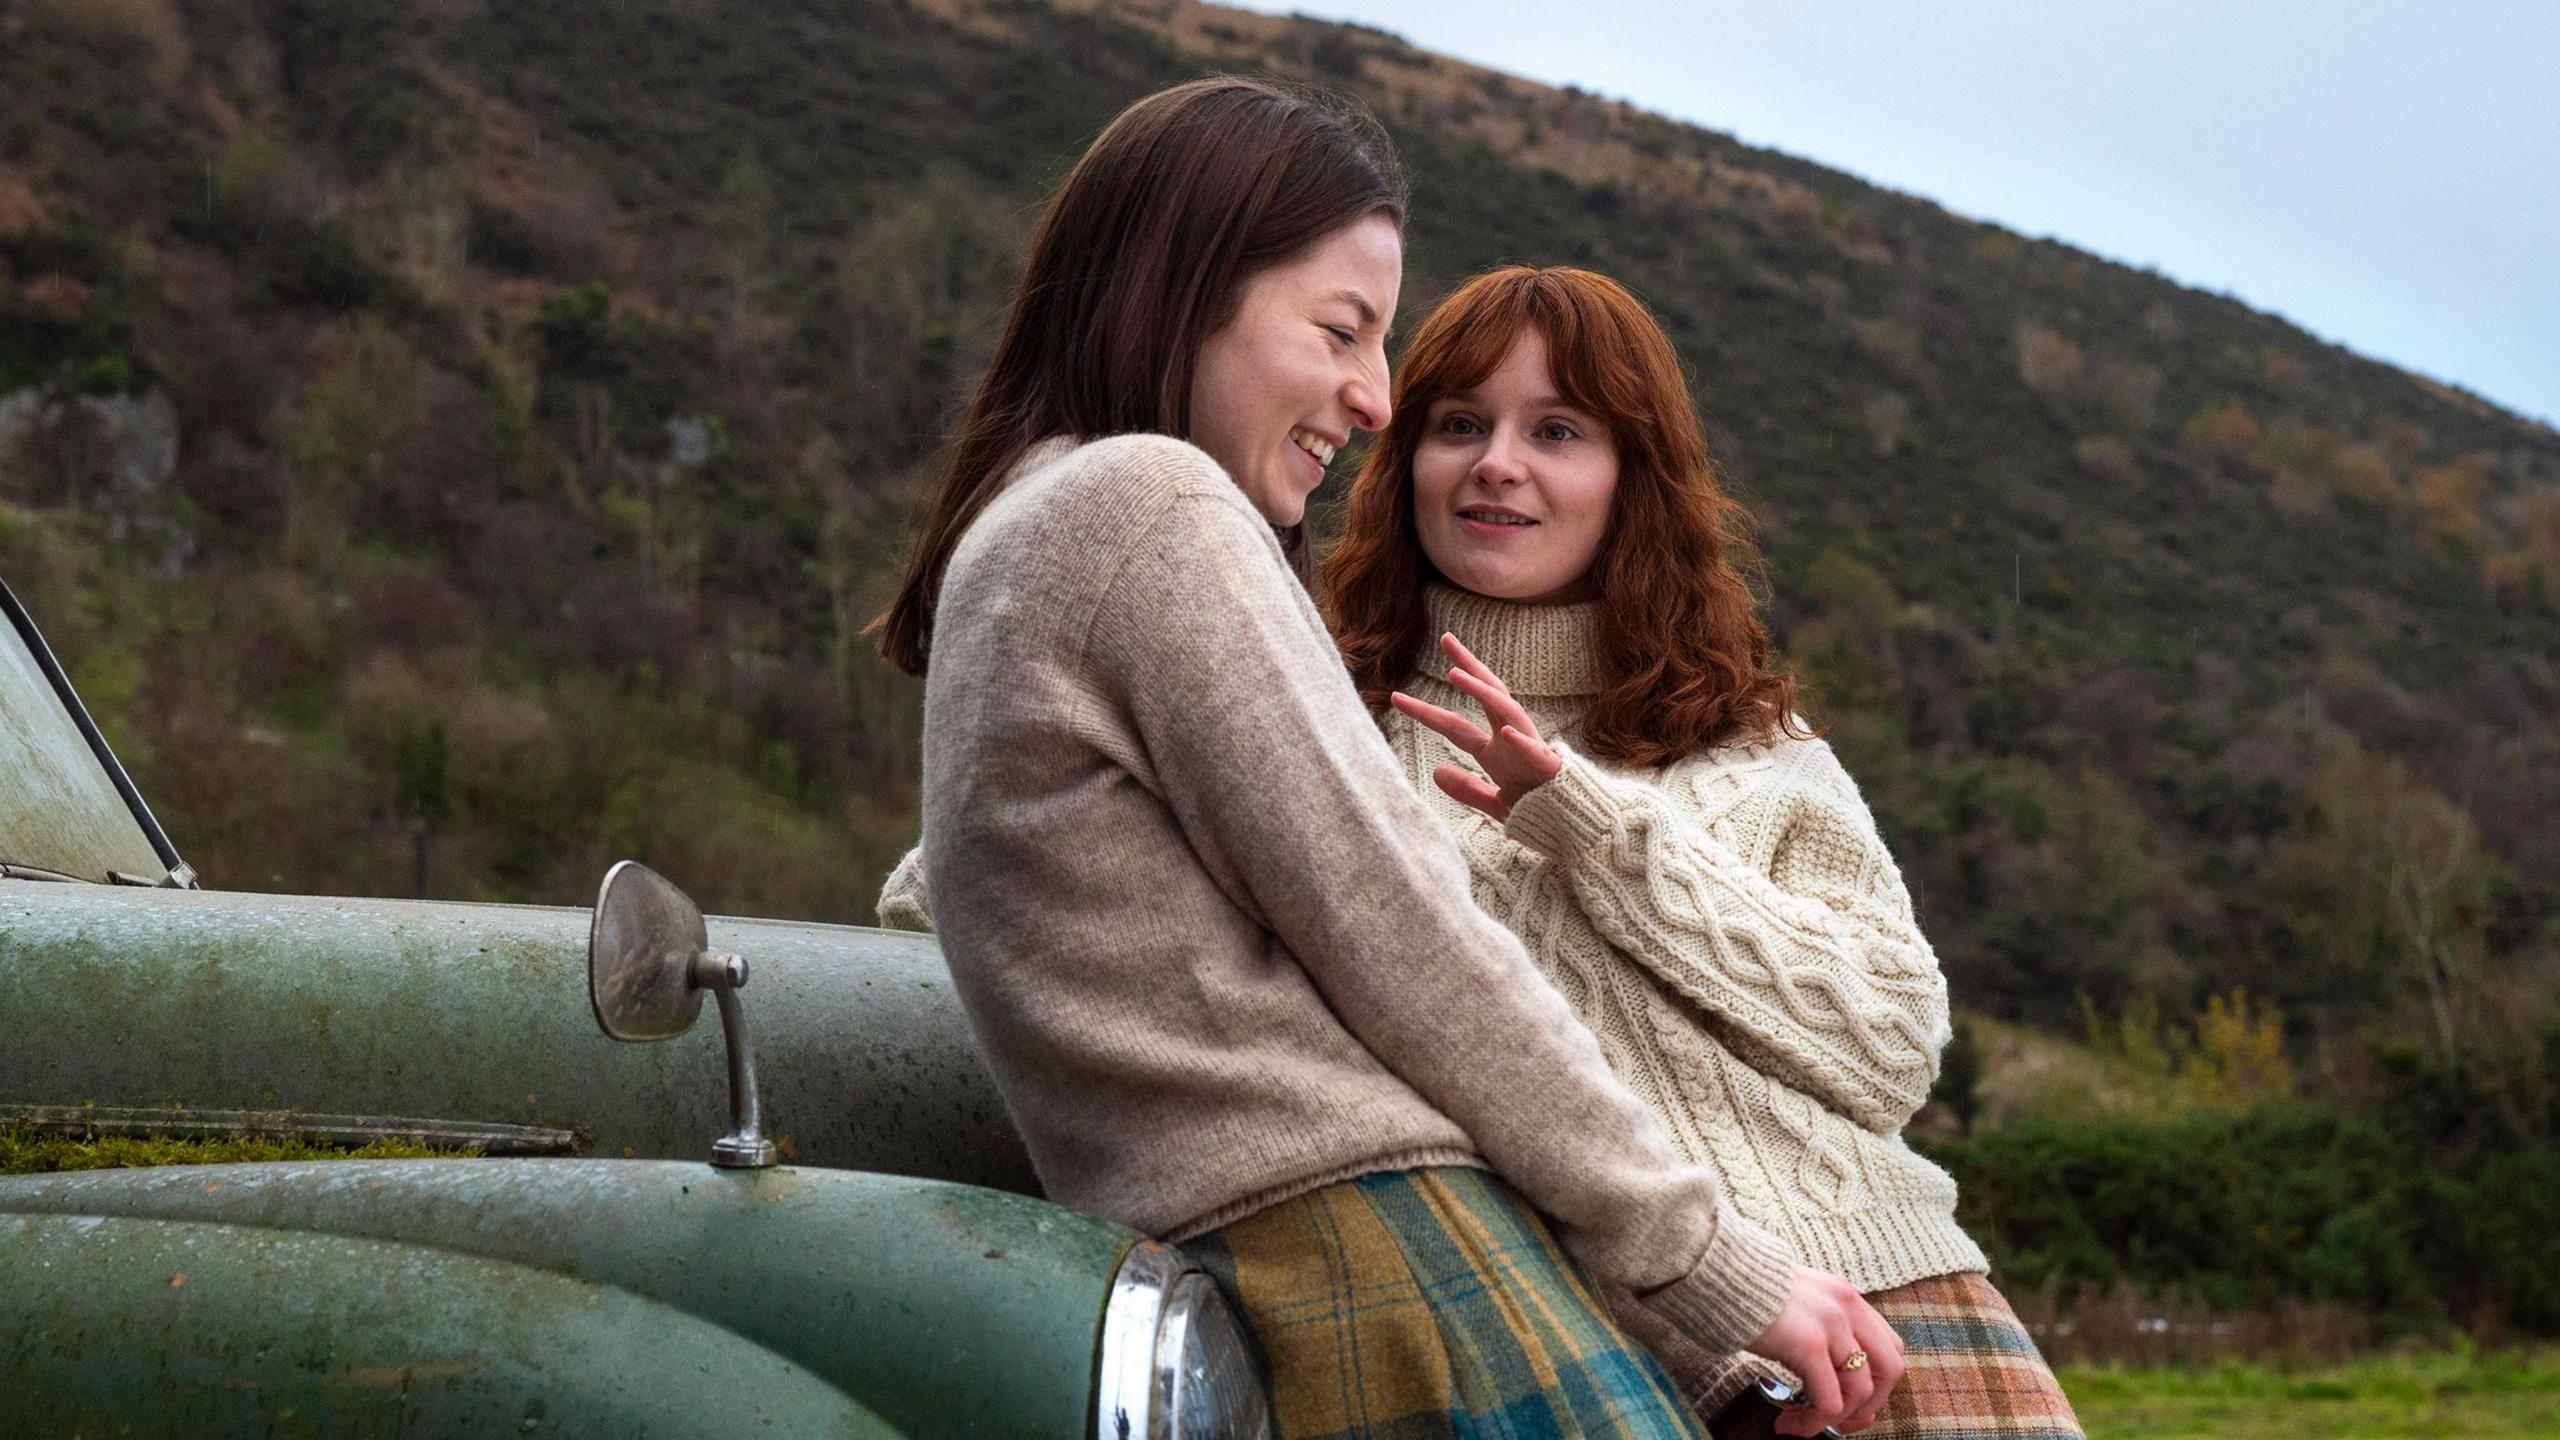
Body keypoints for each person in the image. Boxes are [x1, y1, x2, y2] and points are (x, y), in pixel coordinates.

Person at [872, 79, 1899, 1437]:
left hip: (1270, 1261)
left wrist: (1680, 1338)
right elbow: (1404, 943)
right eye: (1343, 331)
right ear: (1189, 291)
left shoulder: (1026, 532)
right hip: (1371, 1258)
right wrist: (1714, 1270)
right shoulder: (1149, 508)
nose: (1373, 400)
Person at [1320, 264, 2084, 1439]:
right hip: (1562, 1347)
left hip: (1884, 1321)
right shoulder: (1315, 720)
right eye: (1458, 424)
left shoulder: (1745, 747)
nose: (1495, 465)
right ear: (1402, 457)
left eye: (1557, 430)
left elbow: (1888, 1049)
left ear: (1634, 478)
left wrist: (1592, 825)